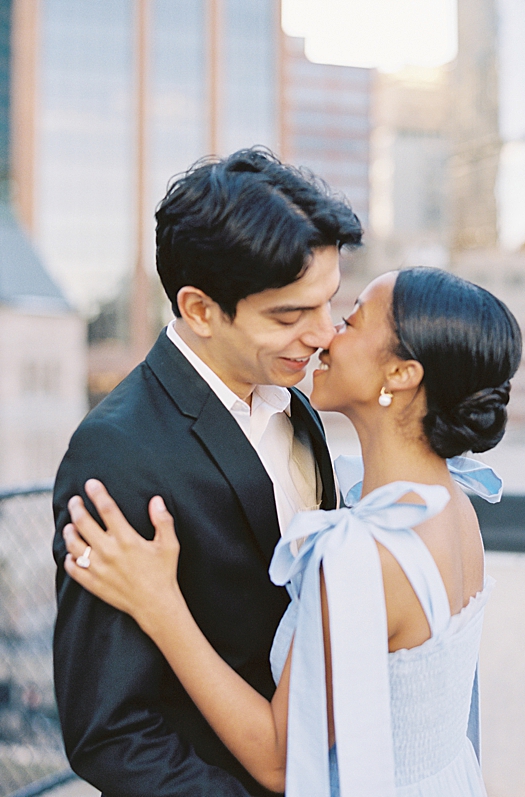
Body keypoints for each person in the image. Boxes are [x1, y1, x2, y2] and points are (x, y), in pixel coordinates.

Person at [61, 266, 522, 796]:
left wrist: (161, 605)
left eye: (350, 321)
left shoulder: (364, 554)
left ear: (400, 374)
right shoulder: (453, 503)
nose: (326, 335)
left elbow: (280, 760)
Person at [52, 148, 360, 796]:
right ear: (198, 309)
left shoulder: (297, 405)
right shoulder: (115, 454)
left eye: (329, 303)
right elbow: (110, 732)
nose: (326, 333)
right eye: (290, 315)